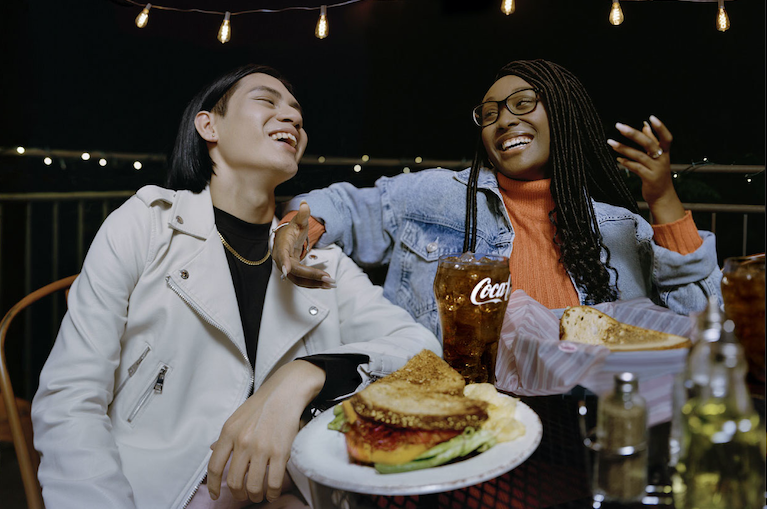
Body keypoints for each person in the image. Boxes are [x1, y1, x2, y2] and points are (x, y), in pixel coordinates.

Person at [31, 64, 440, 509]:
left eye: (298, 113)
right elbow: (70, 400)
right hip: (153, 494)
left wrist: (308, 373)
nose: (293, 118)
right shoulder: (147, 224)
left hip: (288, 493)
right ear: (208, 125)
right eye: (267, 101)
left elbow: (425, 360)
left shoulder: (324, 261)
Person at [275, 59, 722, 338]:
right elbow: (347, 206)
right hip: (455, 418)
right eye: (490, 114)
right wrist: (296, 229)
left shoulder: (619, 229)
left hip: (583, 431)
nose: (504, 120)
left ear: (563, 116)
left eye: (523, 104)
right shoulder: (438, 196)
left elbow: (702, 324)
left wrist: (663, 198)